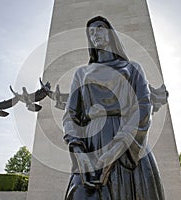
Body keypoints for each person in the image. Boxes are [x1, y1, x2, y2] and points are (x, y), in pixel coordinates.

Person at [62, 16, 165, 200]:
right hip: (91, 145)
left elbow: (142, 109)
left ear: (110, 33)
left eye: (100, 28)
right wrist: (79, 152)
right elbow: (70, 116)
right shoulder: (81, 73)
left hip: (127, 146)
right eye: (91, 32)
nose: (95, 34)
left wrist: (115, 150)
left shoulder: (132, 68)